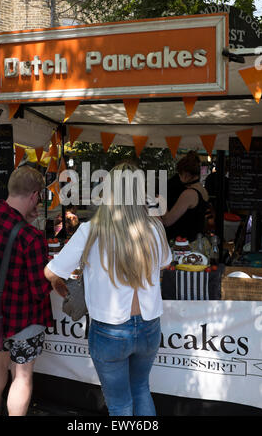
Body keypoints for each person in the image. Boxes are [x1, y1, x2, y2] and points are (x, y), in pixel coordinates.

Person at [44, 162, 172, 416]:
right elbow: (165, 263)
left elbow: (51, 272)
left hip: (110, 330)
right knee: (141, 390)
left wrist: (65, 285)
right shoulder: (155, 228)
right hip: (148, 325)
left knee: (120, 404)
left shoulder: (91, 230)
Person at [0, 165, 53, 416]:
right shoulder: (31, 237)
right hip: (23, 317)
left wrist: (24, 219)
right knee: (23, 375)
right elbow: (40, 289)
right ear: (34, 195)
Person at [162, 151, 209, 242]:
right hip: (198, 240)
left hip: (185, 244)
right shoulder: (203, 190)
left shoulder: (189, 194)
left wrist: (161, 201)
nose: (179, 177)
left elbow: (167, 221)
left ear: (185, 174)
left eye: (180, 174)